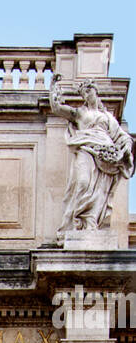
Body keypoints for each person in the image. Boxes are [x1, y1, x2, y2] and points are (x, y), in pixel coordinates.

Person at [50, 77, 134, 234]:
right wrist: (53, 87)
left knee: (100, 190)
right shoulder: (80, 113)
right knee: (82, 182)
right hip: (86, 147)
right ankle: (77, 221)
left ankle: (91, 222)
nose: (87, 94)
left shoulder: (108, 117)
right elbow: (56, 108)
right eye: (84, 92)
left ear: (96, 91)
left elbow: (122, 136)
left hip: (105, 153)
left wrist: (126, 147)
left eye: (89, 90)